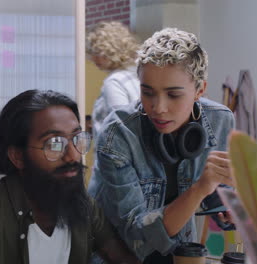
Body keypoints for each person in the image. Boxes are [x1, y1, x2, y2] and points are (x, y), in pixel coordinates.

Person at [0, 90, 140, 264]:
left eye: (77, 139)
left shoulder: (83, 206)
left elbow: (121, 258)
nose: (73, 155)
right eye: (54, 144)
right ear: (17, 156)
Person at [88, 28, 236, 263]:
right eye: (148, 93)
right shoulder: (118, 134)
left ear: (200, 89)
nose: (158, 107)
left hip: (177, 254)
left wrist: (223, 205)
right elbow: (138, 236)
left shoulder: (220, 120)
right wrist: (199, 189)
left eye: (173, 95)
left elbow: (214, 189)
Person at [86, 21, 141, 138]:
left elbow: (122, 125)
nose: (92, 58)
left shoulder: (114, 82)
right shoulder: (135, 76)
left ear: (110, 51)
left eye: (97, 52)